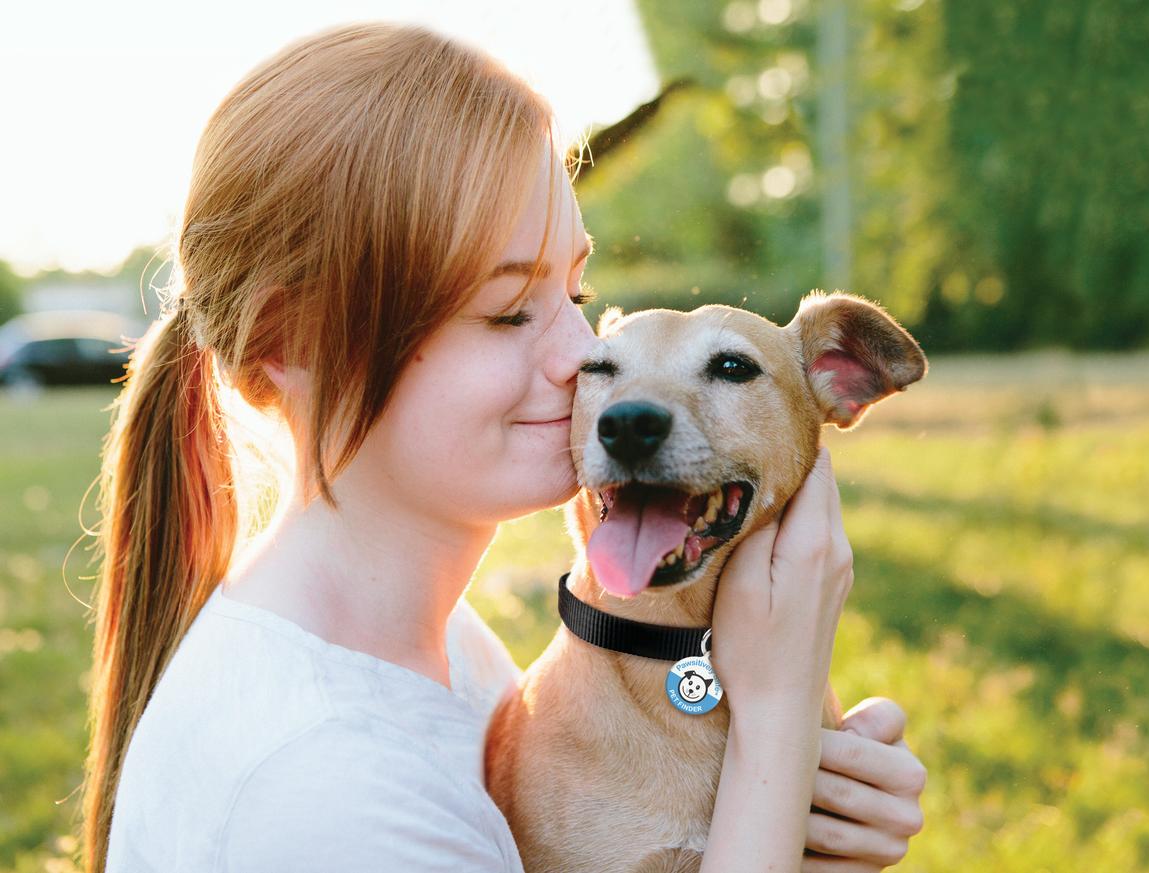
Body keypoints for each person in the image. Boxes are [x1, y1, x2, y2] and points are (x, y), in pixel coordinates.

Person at [80, 22, 926, 873]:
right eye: (507, 312)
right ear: (291, 340)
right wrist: (778, 729)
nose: (583, 356)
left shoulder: (447, 649)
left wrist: (799, 830)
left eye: (576, 291)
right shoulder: (321, 796)